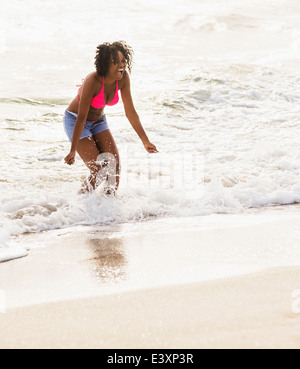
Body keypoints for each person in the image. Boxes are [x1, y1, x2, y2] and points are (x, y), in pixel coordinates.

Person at [64, 41, 158, 194]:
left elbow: (131, 112)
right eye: (116, 62)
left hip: (98, 121)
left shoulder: (123, 78)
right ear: (105, 64)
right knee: (99, 170)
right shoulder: (93, 81)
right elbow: (81, 118)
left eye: (123, 61)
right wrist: (72, 150)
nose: (121, 66)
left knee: (114, 167)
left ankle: (109, 210)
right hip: (75, 120)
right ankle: (78, 205)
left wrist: (145, 140)